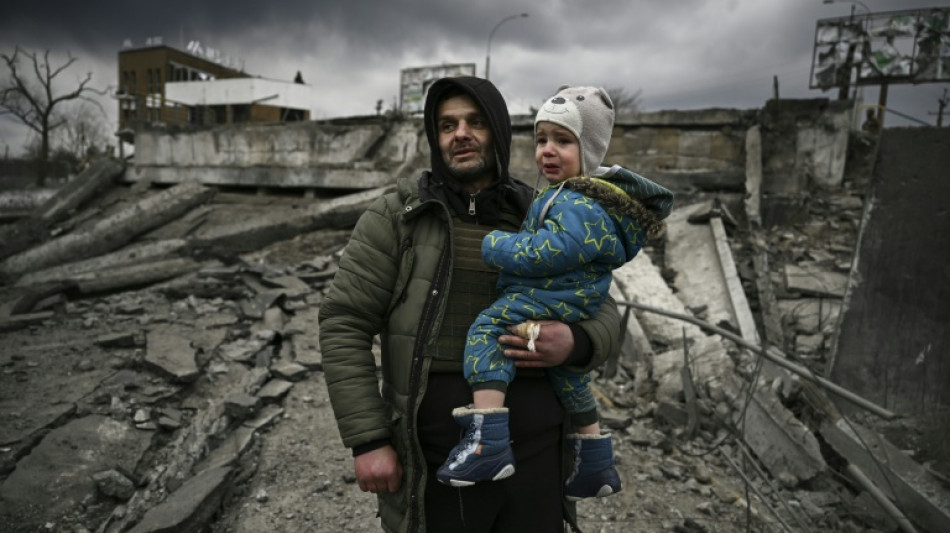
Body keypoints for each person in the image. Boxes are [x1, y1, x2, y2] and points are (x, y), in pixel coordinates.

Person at [318, 76, 624, 532]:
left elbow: (605, 309)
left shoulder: (543, 213)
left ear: (498, 131)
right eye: (446, 125)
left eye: (475, 122)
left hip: (539, 454)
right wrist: (369, 440)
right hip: (440, 458)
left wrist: (576, 342)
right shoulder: (397, 217)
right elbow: (344, 322)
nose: (459, 133)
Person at [436, 86, 673, 502]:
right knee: (569, 377)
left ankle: (487, 439)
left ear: (591, 150)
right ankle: (595, 460)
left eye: (563, 141)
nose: (547, 150)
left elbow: (553, 251)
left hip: (551, 293)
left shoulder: (576, 202)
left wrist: (496, 246)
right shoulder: (573, 196)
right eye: (542, 139)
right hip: (571, 299)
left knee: (488, 329)